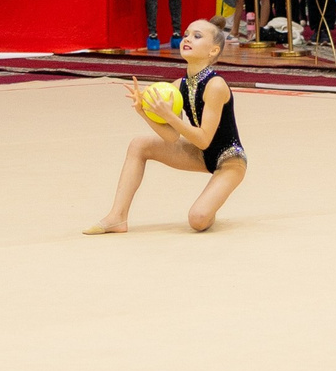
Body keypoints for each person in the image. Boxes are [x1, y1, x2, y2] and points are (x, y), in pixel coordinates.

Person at [83, 19, 245, 235]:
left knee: (198, 220)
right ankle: (117, 217)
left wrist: (169, 114)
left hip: (228, 160)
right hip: (201, 154)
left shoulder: (216, 85)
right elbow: (171, 136)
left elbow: (204, 139)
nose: (187, 38)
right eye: (186, 34)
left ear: (213, 50)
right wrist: (144, 112)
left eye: (197, 36)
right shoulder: (179, 85)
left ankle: (211, 205)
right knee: (139, 144)